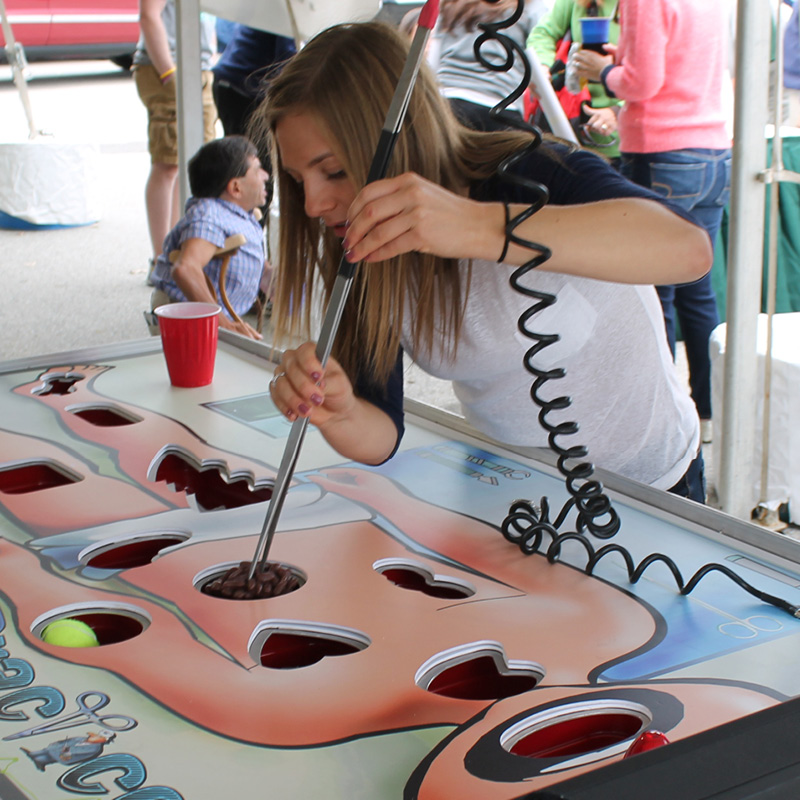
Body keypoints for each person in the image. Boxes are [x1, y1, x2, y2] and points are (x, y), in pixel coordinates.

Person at [254, 21, 713, 501]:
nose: (312, 205)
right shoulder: (355, 236)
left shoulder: (525, 166)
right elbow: (381, 434)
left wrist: (474, 226)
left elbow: (688, 249)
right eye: (296, 178)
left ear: (396, 139)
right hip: (515, 499)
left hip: (657, 488)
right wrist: (341, 410)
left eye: (333, 171)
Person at [574, 0, 732, 445]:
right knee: (697, 292)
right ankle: (706, 413)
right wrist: (619, 58)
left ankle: (665, 418)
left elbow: (644, 84)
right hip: (712, 150)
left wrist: (604, 71)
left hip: (661, 152)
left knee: (652, 293)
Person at [149, 136, 268, 340]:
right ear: (235, 188)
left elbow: (263, 274)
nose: (266, 175)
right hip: (185, 317)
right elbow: (185, 268)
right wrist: (221, 324)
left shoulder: (240, 215)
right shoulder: (209, 215)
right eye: (257, 170)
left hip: (206, 315)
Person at [133, 0, 217, 282]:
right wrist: (170, 73)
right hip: (171, 67)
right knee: (168, 164)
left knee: (190, 164)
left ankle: (175, 254)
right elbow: (148, 15)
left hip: (196, 66)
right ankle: (162, 262)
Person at [529, 0, 623, 165]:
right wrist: (543, 67)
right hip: (571, 130)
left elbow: (659, 72)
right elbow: (543, 33)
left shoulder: (647, 6)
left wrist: (618, 110)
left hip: (625, 142)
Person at [430, 0, 547, 131]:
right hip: (497, 104)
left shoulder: (450, 4)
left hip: (447, 103)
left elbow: (432, 62)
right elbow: (538, 58)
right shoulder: (530, 6)